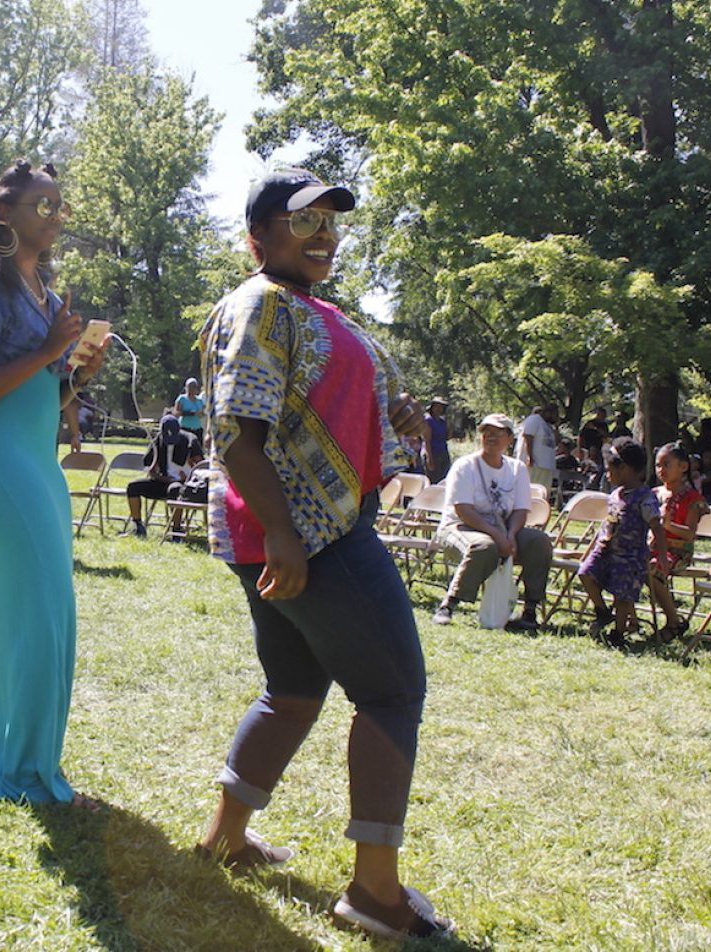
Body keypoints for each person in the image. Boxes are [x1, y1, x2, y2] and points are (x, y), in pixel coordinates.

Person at [194, 169, 450, 942]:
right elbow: (237, 430)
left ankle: (225, 837)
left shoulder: (317, 310)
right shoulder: (260, 303)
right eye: (304, 222)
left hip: (298, 531)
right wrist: (282, 534)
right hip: (312, 535)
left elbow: (331, 405)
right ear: (259, 236)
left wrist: (392, 408)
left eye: (331, 223)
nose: (323, 235)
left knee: (294, 690)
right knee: (392, 693)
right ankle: (375, 892)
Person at [0, 159, 106, 807]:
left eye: (61, 204)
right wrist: (46, 352)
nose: (58, 215)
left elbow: (42, 386)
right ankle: (17, 766)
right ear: (4, 215)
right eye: (45, 204)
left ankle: (30, 757)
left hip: (35, 456)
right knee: (36, 613)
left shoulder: (41, 288)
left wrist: (74, 372)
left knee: (46, 611)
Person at [432, 413, 553, 632]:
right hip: (460, 526)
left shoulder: (517, 469)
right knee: (485, 546)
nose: (490, 437)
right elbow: (463, 509)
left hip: (504, 528)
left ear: (509, 439)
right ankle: (449, 604)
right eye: (486, 432)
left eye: (498, 432)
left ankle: (530, 611)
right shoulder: (465, 466)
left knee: (538, 541)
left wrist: (512, 534)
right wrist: (498, 536)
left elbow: (520, 509)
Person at [580, 438, 668, 646]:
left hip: (630, 555)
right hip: (606, 549)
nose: (608, 475)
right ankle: (602, 611)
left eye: (611, 470)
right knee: (585, 573)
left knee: (623, 595)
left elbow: (656, 526)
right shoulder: (615, 495)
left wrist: (662, 555)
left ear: (625, 469)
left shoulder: (644, 497)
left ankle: (618, 633)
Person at [650, 442, 706, 643]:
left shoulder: (692, 498)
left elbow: (690, 534)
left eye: (666, 464)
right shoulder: (654, 494)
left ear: (683, 467)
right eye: (657, 465)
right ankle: (628, 619)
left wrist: (668, 525)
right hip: (652, 546)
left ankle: (673, 621)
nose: (660, 470)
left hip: (678, 551)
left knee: (653, 569)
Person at [125, 414, 198, 537]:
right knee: (133, 487)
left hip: (183, 483)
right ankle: (138, 525)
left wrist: (190, 478)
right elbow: (149, 466)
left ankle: (176, 529)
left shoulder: (191, 440)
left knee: (174, 490)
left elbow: (201, 466)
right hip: (162, 481)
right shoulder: (158, 441)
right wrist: (158, 477)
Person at [520, 403, 558, 499]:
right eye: (555, 414)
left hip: (547, 465)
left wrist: (557, 427)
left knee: (544, 495)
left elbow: (557, 441)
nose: (556, 417)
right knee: (532, 493)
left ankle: (541, 512)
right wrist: (530, 456)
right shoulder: (534, 420)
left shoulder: (548, 425)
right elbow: (528, 437)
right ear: (548, 413)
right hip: (536, 464)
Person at [423, 397, 450, 481]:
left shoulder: (442, 422)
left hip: (443, 452)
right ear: (432, 407)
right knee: (433, 480)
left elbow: (446, 438)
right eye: (436, 406)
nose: (438, 409)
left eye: (441, 407)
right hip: (433, 454)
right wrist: (429, 458)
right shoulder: (428, 421)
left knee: (443, 480)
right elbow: (427, 440)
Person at [174, 377, 205, 442]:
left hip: (197, 429)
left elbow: (202, 413)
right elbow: (176, 413)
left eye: (194, 387)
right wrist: (191, 413)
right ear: (186, 387)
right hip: (185, 429)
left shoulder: (199, 400)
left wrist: (201, 414)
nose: (191, 389)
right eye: (189, 386)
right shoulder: (182, 398)